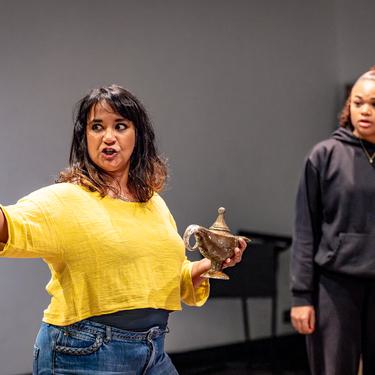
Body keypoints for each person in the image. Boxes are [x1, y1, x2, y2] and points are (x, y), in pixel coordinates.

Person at [0, 84, 247, 375]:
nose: (108, 138)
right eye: (96, 127)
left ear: (137, 135)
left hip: (152, 351)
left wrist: (209, 263)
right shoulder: (67, 198)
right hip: (84, 354)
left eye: (120, 126)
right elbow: (10, 225)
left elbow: (166, 279)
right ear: (84, 137)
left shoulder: (153, 203)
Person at [290, 66, 375, 375]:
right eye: (358, 102)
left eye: (374, 104)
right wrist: (302, 297)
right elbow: (305, 230)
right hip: (337, 286)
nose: (364, 111)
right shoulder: (324, 155)